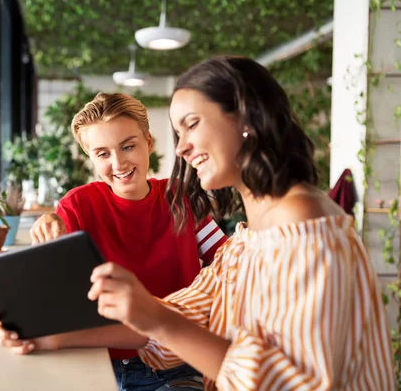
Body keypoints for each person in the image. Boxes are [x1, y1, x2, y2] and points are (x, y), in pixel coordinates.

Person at [88, 56, 396, 390]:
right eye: (178, 133)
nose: (181, 148)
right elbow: (183, 316)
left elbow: (289, 383)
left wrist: (158, 320)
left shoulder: (304, 225)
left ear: (246, 118)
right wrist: (55, 339)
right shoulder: (248, 239)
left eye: (192, 124)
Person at [0, 92, 229, 390]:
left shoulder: (182, 198)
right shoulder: (76, 207)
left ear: (149, 143)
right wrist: (12, 318)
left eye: (128, 146)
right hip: (96, 362)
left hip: (177, 364)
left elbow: (231, 266)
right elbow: (43, 290)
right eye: (103, 154)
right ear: (91, 158)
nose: (118, 163)